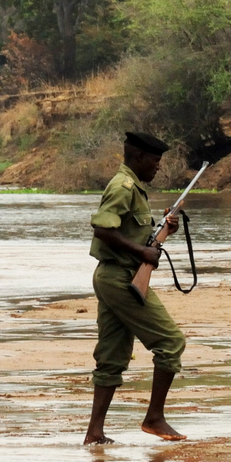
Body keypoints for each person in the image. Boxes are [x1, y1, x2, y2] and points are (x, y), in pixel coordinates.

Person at [83, 131, 188, 445]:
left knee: (112, 357)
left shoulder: (135, 188)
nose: (158, 167)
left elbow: (132, 233)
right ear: (138, 158)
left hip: (115, 276)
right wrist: (142, 253)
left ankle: (94, 434)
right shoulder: (124, 186)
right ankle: (154, 418)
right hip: (120, 279)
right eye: (155, 161)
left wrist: (163, 232)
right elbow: (103, 229)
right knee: (171, 342)